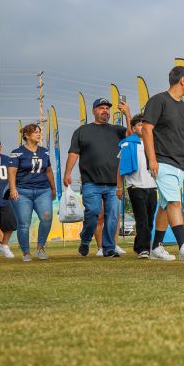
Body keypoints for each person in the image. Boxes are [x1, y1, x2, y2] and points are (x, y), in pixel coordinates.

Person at [139, 66, 184, 261]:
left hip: (179, 162)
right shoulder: (158, 101)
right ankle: (183, 246)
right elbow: (147, 130)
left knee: (165, 204)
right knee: (175, 202)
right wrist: (152, 159)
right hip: (162, 160)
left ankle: (156, 247)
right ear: (182, 80)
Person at [64, 98, 127, 258]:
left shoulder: (118, 130)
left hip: (114, 183)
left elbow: (133, 137)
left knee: (112, 216)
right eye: (101, 108)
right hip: (91, 182)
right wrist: (67, 173)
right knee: (93, 213)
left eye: (107, 108)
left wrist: (127, 113)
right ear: (94, 111)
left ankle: (108, 248)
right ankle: (85, 240)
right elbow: (73, 153)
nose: (105, 110)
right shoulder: (82, 131)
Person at [9, 123, 57, 262]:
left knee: (47, 217)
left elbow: (48, 171)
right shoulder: (17, 152)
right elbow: (11, 172)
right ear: (26, 135)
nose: (39, 134)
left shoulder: (45, 151)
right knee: (24, 223)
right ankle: (26, 252)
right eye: (35, 132)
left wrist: (53, 188)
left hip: (43, 190)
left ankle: (40, 247)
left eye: (39, 132)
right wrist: (13, 189)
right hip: (23, 191)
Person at [120, 114, 162, 259]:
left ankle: (139, 245)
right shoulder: (128, 144)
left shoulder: (154, 143)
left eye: (144, 125)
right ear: (133, 128)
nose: (142, 127)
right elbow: (120, 167)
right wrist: (120, 187)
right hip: (135, 187)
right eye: (138, 125)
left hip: (152, 186)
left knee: (149, 219)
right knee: (142, 219)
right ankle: (144, 249)